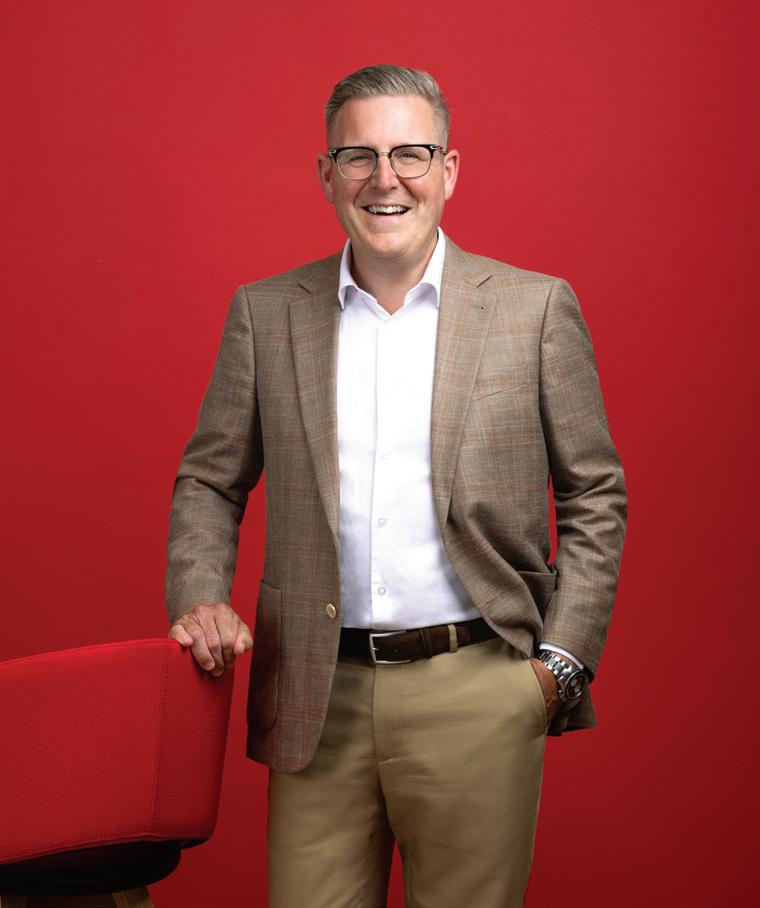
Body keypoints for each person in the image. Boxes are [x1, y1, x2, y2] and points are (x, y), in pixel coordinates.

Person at [164, 64, 627, 908]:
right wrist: (199, 595)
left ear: (449, 170)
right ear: (327, 174)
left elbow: (594, 492)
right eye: (360, 156)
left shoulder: (534, 310)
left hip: (481, 686)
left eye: (410, 154)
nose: (386, 179)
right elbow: (209, 479)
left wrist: (559, 665)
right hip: (315, 694)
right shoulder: (266, 314)